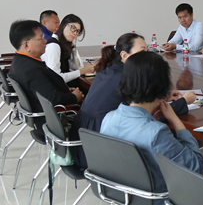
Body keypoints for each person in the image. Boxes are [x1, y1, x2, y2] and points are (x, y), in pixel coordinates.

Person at [100, 51, 203, 205]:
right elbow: (195, 166)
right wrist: (176, 121)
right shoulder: (155, 133)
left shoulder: (109, 118)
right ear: (161, 86)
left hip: (125, 203)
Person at [70, 33, 194, 169]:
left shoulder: (110, 69)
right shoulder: (126, 78)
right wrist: (183, 101)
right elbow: (144, 114)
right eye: (142, 51)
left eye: (147, 50)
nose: (147, 55)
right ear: (124, 55)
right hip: (95, 152)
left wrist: (162, 95)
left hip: (88, 147)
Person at [7, 19, 83, 112]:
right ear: (26, 45)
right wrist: (74, 97)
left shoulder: (21, 61)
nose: (45, 41)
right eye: (41, 38)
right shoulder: (32, 69)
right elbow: (52, 99)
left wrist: (65, 91)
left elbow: (44, 89)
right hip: (61, 114)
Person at [42, 13, 94, 85]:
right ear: (63, 25)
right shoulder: (54, 46)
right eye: (73, 28)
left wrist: (73, 51)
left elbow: (77, 68)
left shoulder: (65, 44)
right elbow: (55, 78)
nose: (75, 33)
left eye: (78, 31)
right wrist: (82, 71)